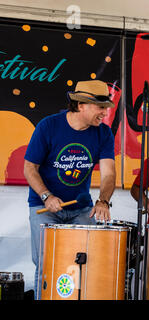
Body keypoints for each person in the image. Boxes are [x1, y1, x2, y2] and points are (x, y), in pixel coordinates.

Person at [24, 79, 116, 299]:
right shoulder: (48, 126)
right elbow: (29, 168)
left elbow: (109, 174)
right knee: (47, 264)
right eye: (100, 107)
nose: (105, 113)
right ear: (81, 105)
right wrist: (47, 196)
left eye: (106, 107)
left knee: (85, 263)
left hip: (82, 210)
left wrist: (103, 200)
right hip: (45, 208)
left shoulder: (104, 133)